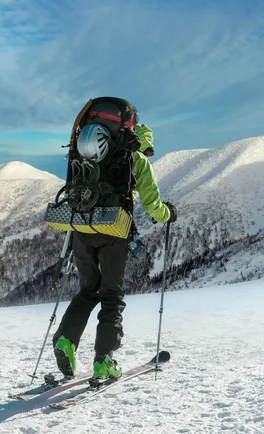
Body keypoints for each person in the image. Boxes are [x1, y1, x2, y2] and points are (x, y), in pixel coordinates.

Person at [52, 121, 177, 380]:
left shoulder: (88, 152)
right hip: (113, 232)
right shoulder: (136, 159)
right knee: (112, 295)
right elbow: (153, 205)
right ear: (140, 139)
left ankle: (65, 340)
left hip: (81, 229)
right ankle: (104, 360)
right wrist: (168, 214)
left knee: (87, 291)